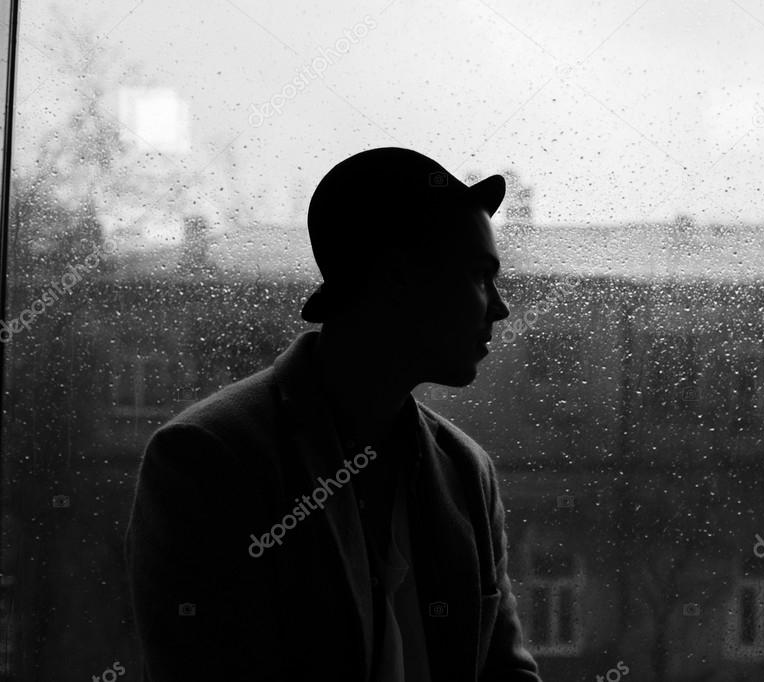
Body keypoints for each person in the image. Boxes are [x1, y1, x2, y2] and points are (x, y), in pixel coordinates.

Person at [125, 147, 542, 682]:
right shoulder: (208, 459)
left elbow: (504, 672)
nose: (500, 307)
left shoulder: (468, 471)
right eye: (481, 276)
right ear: (398, 279)